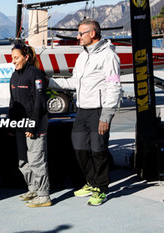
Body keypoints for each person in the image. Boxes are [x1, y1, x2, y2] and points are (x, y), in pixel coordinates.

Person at [48, 18, 122, 206]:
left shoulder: (109, 56)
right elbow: (74, 82)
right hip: (82, 109)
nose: (78, 37)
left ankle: (101, 188)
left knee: (98, 150)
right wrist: (49, 82)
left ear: (92, 33)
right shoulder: (83, 56)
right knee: (79, 148)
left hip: (99, 110)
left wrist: (107, 115)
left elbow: (114, 86)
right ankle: (91, 182)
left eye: (81, 33)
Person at [9, 43, 51, 208]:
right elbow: (13, 102)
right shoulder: (14, 76)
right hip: (19, 125)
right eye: (12, 58)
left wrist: (32, 127)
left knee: (36, 161)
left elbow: (39, 104)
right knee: (23, 161)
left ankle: (44, 195)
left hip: (35, 124)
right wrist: (12, 125)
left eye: (17, 57)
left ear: (26, 57)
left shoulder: (36, 74)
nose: (14, 61)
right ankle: (33, 188)